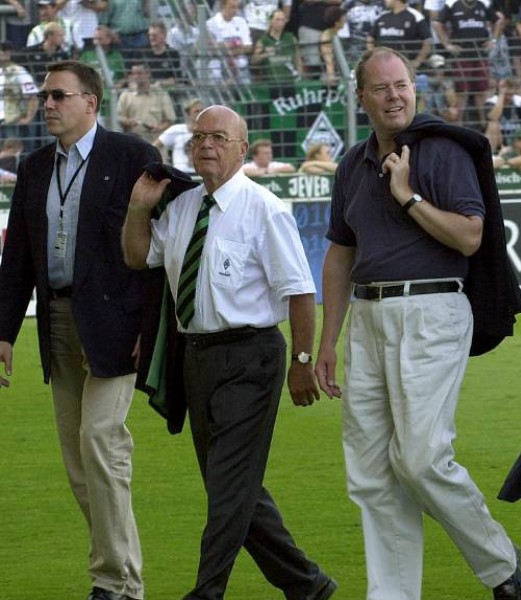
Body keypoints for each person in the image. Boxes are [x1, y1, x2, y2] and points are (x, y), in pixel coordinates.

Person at [314, 46, 521, 600]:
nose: (394, 95)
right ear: (361, 98)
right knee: (370, 474)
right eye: (381, 88)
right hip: (366, 315)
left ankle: (501, 564)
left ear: (415, 89)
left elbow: (469, 237)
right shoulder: (351, 164)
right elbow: (339, 254)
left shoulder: (441, 151)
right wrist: (326, 342)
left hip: (431, 309)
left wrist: (406, 195)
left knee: (421, 458)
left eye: (402, 85)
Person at [121, 103, 337, 600]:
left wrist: (303, 363)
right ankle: (308, 585)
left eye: (219, 137)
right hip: (196, 357)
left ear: (242, 148)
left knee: (228, 486)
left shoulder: (265, 208)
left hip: (251, 355)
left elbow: (301, 292)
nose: (207, 146)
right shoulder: (178, 207)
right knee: (232, 487)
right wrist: (137, 208)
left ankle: (207, 592)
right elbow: (137, 256)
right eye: (199, 138)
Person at [0, 59, 161, 600]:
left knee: (101, 441)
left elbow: (155, 253)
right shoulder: (34, 166)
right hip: (59, 323)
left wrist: (150, 326)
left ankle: (117, 583)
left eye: (58, 96)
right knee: (79, 466)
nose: (47, 104)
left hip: (117, 324)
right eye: (45, 96)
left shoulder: (135, 156)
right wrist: (3, 330)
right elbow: (18, 256)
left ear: (90, 103)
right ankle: (115, 579)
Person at [432, 0, 502, 128]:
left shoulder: (484, 3)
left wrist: (493, 39)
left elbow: (498, 20)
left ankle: (484, 125)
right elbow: (437, 23)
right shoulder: (452, 3)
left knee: (482, 91)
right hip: (461, 55)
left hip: (481, 54)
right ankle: (460, 126)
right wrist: (447, 44)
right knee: (461, 92)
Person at [116, 62, 176, 144]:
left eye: (139, 73)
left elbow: (170, 119)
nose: (136, 76)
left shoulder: (161, 94)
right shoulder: (126, 95)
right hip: (132, 144)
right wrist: (127, 121)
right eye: (134, 74)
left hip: (155, 144)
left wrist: (159, 128)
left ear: (148, 74)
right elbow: (118, 117)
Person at [368, 0, 432, 70]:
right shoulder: (382, 16)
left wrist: (417, 62)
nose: (385, 1)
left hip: (405, 66)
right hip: (382, 65)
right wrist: (373, 56)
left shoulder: (415, 16)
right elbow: (370, 37)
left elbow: (427, 41)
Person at [0, 42, 39, 151]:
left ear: (7, 53)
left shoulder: (20, 72)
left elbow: (33, 96)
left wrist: (28, 118)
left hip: (13, 122)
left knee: (14, 156)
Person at [206, 0, 253, 85]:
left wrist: (225, 48)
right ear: (223, 6)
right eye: (232, 7)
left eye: (237, 7)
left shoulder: (241, 22)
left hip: (240, 65)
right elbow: (212, 50)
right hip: (219, 65)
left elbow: (248, 47)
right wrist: (235, 45)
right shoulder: (211, 24)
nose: (235, 10)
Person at [154, 97, 204, 173]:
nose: (200, 114)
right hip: (181, 174)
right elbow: (154, 146)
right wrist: (162, 163)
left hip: (202, 175)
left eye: (202, 111)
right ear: (188, 113)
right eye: (196, 111)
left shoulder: (210, 132)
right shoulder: (176, 129)